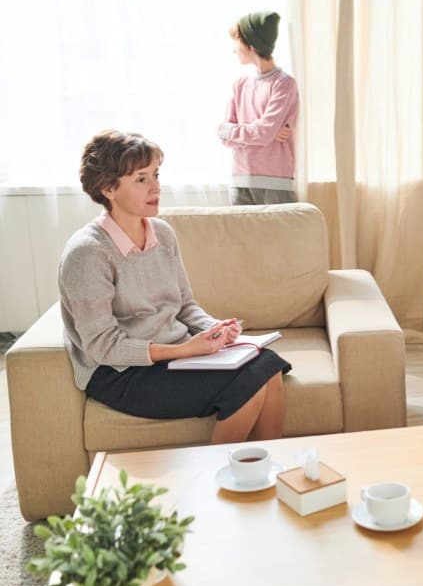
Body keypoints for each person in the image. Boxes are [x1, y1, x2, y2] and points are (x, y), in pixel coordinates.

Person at [59, 130, 290, 444]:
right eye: (141, 179)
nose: (156, 187)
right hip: (120, 372)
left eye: (155, 174)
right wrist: (184, 349)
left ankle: (264, 476)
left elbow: (184, 305)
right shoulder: (87, 253)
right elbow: (101, 346)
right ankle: (221, 483)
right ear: (107, 188)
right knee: (252, 379)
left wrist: (215, 330)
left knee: (267, 365)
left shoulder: (162, 233)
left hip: (174, 354)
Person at [218, 10, 299, 205]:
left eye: (236, 43)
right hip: (239, 180)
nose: (234, 49)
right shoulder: (240, 84)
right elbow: (224, 137)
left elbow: (261, 133)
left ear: (252, 46)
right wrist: (261, 133)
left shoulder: (284, 83)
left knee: (279, 236)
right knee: (239, 236)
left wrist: (232, 131)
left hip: (275, 181)